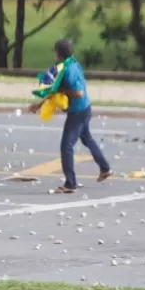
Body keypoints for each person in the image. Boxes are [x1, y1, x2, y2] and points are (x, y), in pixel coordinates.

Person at [28, 39, 112, 194]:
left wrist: (63, 92)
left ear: (58, 53)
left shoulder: (68, 70)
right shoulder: (71, 64)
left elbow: (78, 93)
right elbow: (55, 89)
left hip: (78, 112)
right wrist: (39, 105)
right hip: (85, 108)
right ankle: (105, 168)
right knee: (87, 139)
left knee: (66, 147)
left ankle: (70, 184)